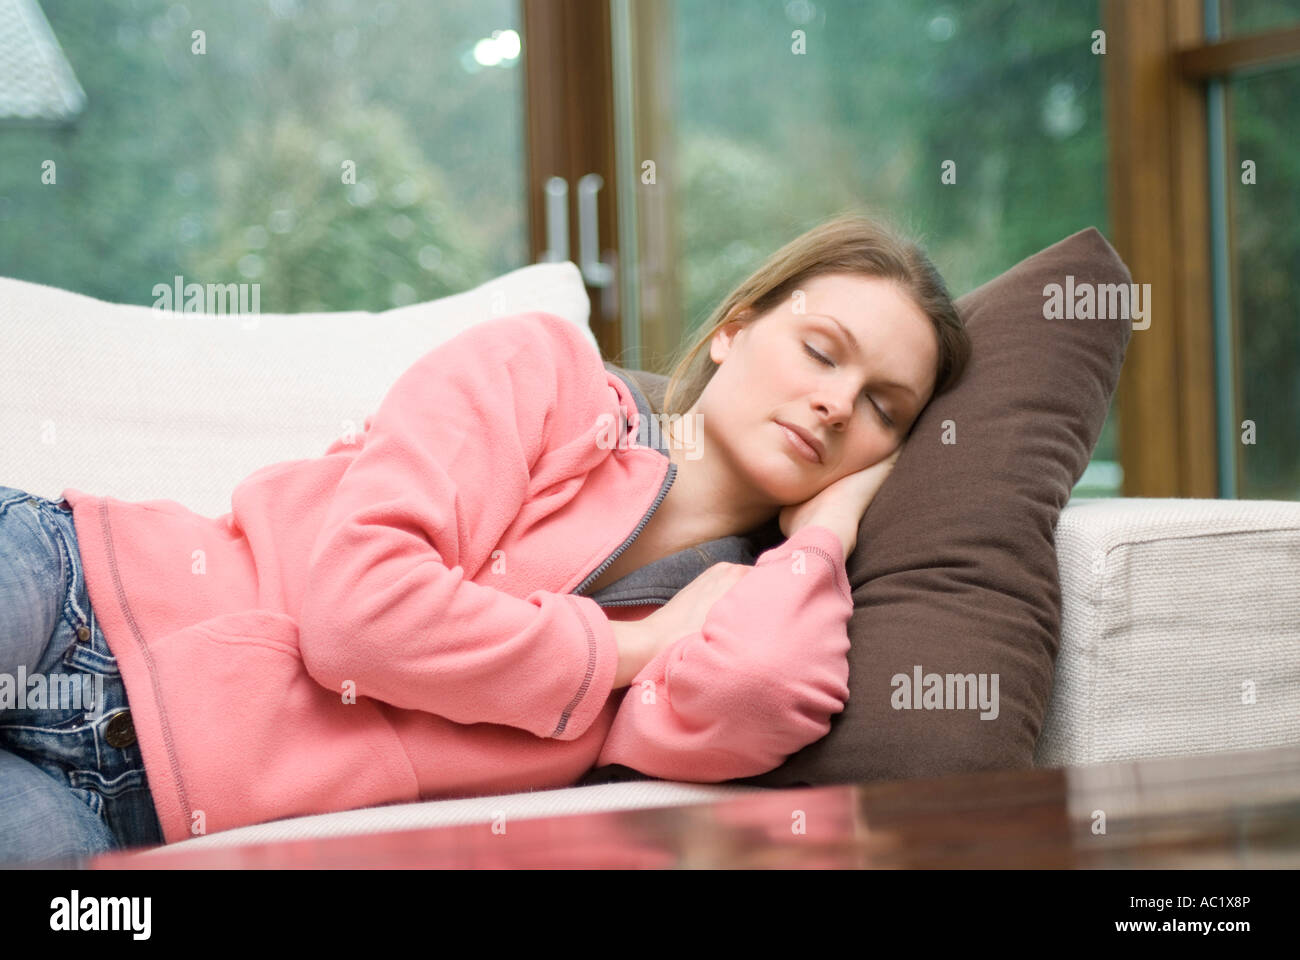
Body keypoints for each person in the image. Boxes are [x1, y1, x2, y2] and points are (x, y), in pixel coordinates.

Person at [0, 211, 970, 866]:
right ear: (734, 329)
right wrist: (630, 647)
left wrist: (827, 532)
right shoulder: (540, 372)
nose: (838, 404)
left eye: (884, 409)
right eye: (819, 350)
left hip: (127, 805)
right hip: (69, 591)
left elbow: (760, 691)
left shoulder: (740, 614)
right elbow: (356, 615)